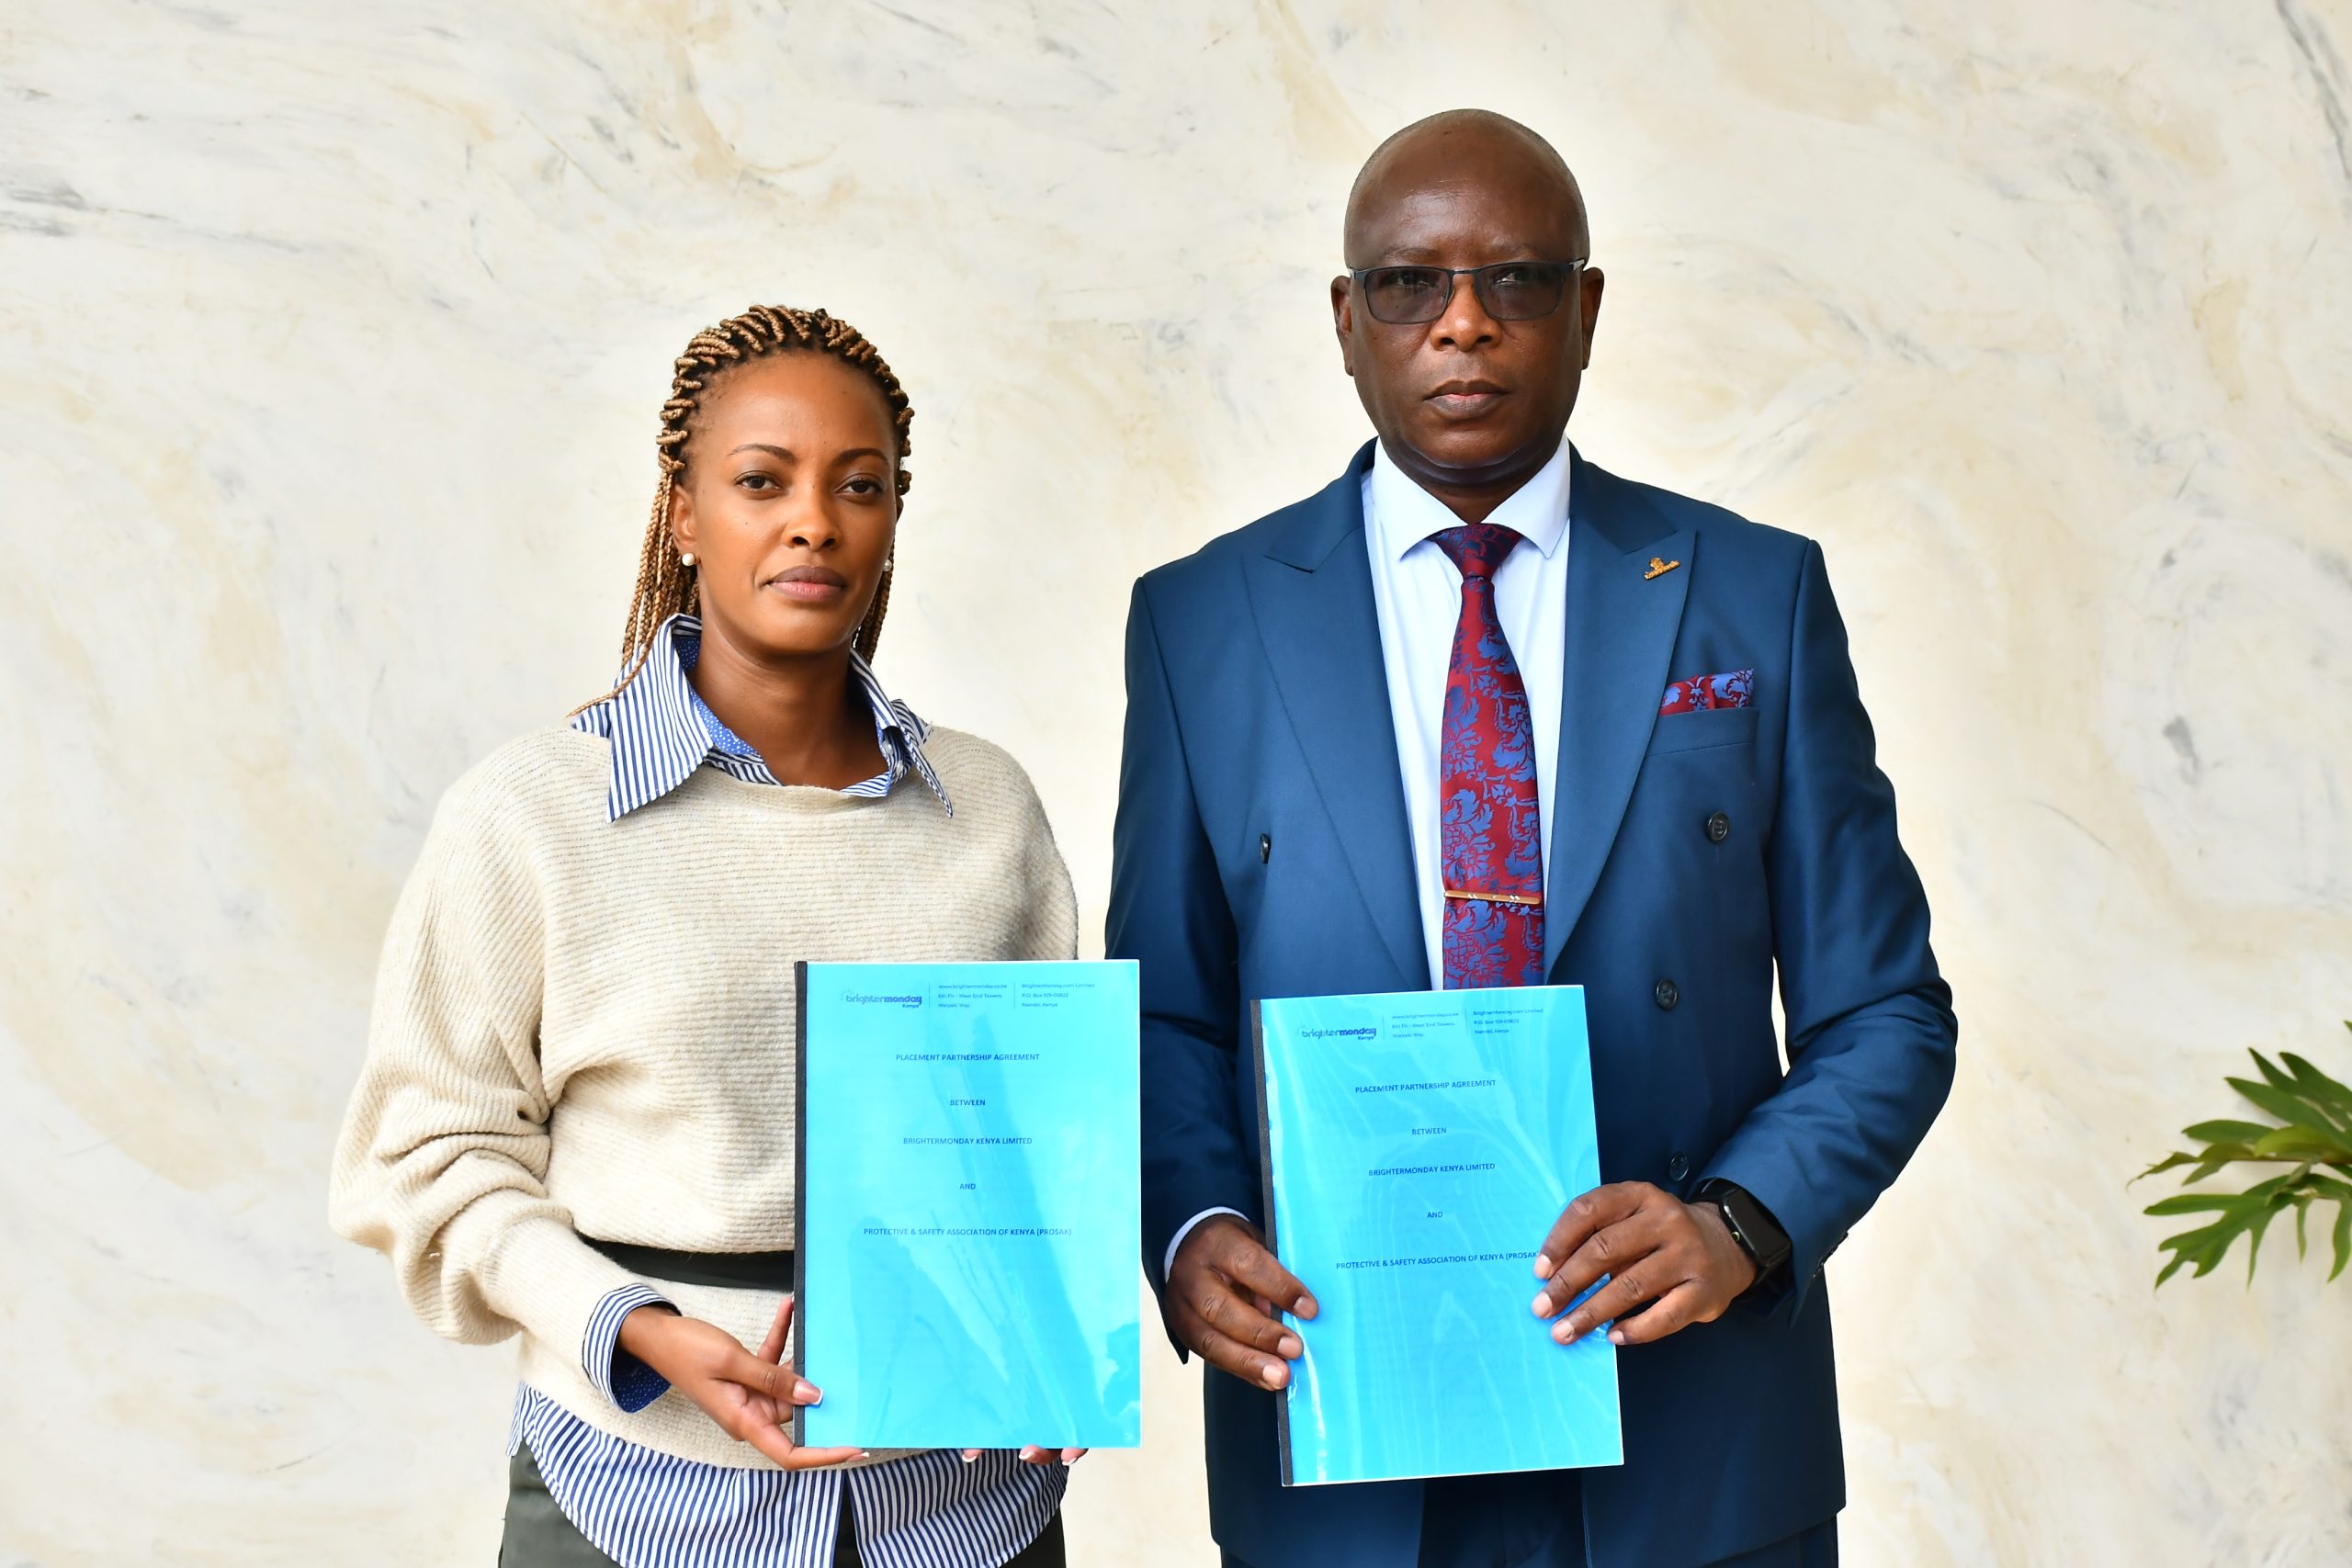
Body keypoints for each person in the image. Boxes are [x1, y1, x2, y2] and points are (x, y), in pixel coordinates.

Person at [1108, 111, 1958, 1568]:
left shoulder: (1753, 595)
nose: (1462, 326)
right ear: (1345, 320)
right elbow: (1165, 1013)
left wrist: (1742, 1223)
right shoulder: (1203, 618)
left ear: (1586, 311)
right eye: (1408, 286)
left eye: (1516, 281)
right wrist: (1192, 1232)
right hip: (1340, 1419)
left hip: (1690, 1432)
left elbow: (1885, 1010)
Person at [332, 305, 1082, 1568]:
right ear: (682, 513)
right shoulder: (532, 819)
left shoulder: (989, 809)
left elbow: (1048, 1135)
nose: (814, 522)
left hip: (964, 1515)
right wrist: (637, 1326)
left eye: (861, 485)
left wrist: (1058, 1346)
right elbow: (426, 1156)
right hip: (639, 1496)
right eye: (760, 482)